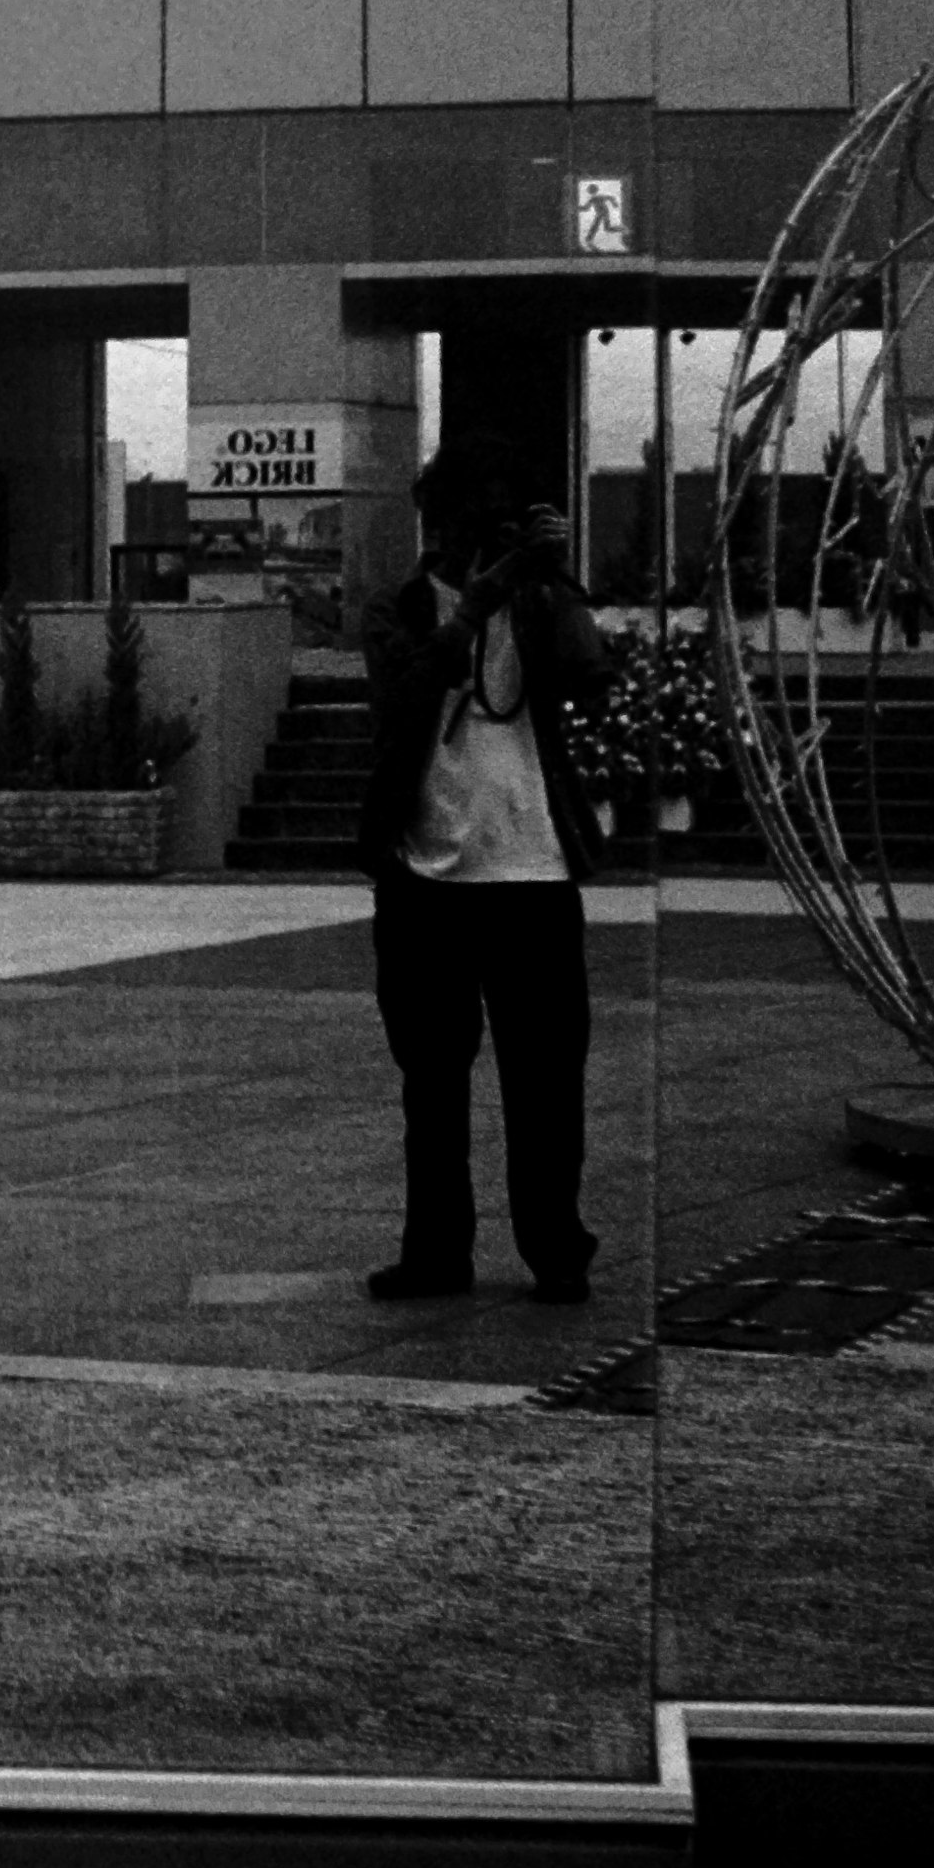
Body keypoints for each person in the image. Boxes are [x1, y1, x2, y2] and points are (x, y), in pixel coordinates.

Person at [355, 436, 613, 1306]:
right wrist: (473, 605)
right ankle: (436, 1253)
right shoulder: (398, 606)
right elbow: (401, 694)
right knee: (432, 1081)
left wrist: (554, 573)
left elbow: (590, 676)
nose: (485, 533)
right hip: (424, 876)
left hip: (534, 874)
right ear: (438, 524)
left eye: (501, 518)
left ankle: (557, 1250)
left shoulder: (539, 604)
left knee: (546, 1081)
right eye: (472, 517)